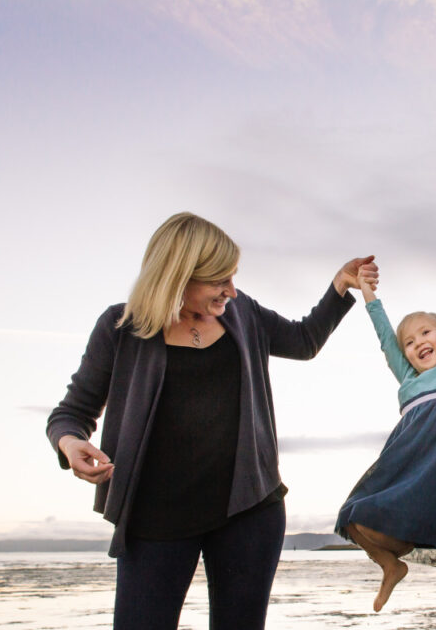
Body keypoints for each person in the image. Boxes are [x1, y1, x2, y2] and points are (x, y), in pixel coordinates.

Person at [46, 212, 378, 630]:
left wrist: (339, 286)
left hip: (249, 509)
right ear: (177, 276)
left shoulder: (243, 313)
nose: (231, 290)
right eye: (219, 280)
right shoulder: (120, 329)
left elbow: (304, 340)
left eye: (232, 277)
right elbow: (71, 413)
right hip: (154, 518)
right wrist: (70, 444)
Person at [334, 258, 436, 613]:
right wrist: (368, 294)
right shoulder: (408, 381)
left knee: (394, 518)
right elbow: (384, 340)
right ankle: (391, 565)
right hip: (407, 459)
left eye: (426, 332)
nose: (417, 342)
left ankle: (403, 546)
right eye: (409, 341)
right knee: (351, 515)